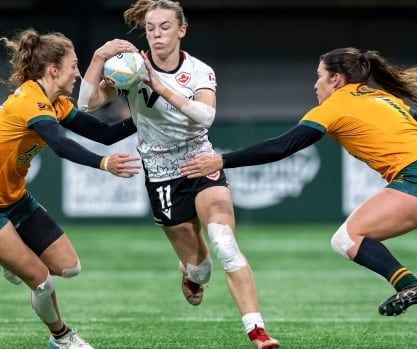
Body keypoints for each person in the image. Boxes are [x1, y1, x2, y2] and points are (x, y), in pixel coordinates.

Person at [180, 47, 417, 349]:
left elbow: (283, 146)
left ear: (337, 79)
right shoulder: (385, 98)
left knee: (346, 237)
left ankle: (409, 284)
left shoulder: (335, 106)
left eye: (319, 77)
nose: (316, 85)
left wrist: (222, 159)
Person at [77, 1, 279, 348]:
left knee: (225, 244)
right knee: (201, 268)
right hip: (160, 173)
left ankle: (257, 332)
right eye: (151, 28)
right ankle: (191, 274)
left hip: (199, 161)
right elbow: (85, 103)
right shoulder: (129, 68)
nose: (156, 35)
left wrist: (157, 84)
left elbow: (205, 117)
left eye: (165, 27)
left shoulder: (199, 71)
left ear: (181, 30)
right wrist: (98, 59)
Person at [0, 28, 141, 349]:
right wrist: (103, 164)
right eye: (74, 65)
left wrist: (149, 113)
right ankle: (62, 338)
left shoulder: (56, 103)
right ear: (54, 69)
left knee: (70, 268)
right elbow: (61, 145)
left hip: (14, 199)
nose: (78, 73)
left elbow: (106, 134)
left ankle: (11, 259)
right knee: (42, 281)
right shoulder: (29, 100)